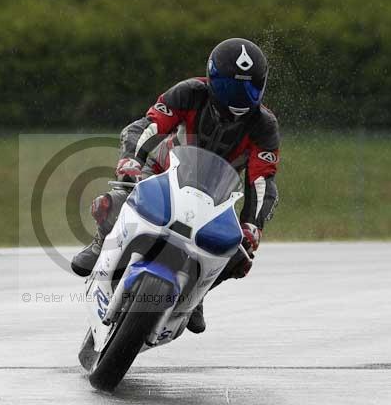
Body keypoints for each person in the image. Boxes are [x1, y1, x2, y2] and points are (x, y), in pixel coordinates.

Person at [71, 38, 280, 333]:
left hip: (215, 197)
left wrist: (252, 225)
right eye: (230, 87)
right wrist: (130, 160)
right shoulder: (190, 93)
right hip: (161, 174)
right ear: (212, 78)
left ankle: (197, 296)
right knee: (113, 201)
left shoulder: (264, 125)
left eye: (249, 88)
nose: (238, 98)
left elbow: (262, 180)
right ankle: (100, 242)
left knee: (239, 256)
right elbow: (148, 126)